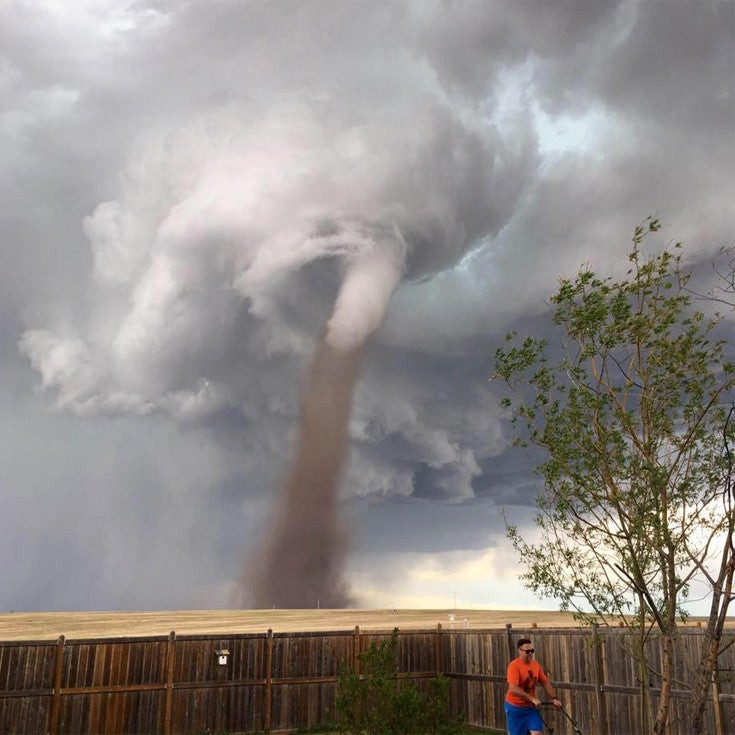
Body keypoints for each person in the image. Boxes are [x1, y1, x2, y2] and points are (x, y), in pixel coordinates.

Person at [505, 638, 561, 735]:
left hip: (531, 709)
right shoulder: (514, 666)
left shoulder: (535, 665)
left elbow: (545, 682)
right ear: (519, 651)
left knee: (537, 733)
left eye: (532, 651)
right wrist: (532, 699)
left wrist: (554, 698)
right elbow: (513, 688)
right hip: (515, 708)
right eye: (527, 651)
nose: (530, 653)